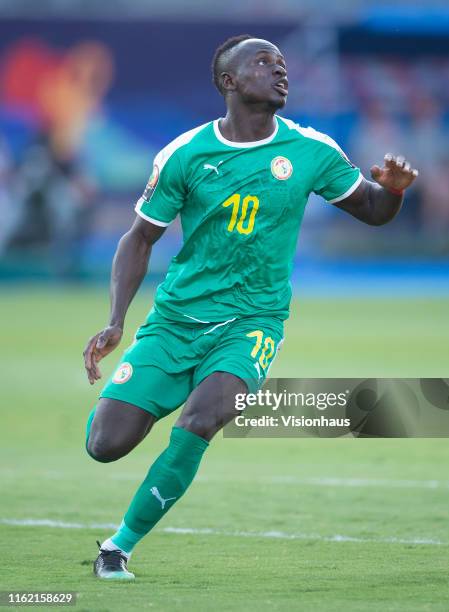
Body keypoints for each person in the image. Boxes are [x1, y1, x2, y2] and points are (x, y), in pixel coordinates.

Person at [83, 35, 418, 580]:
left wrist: (396, 192)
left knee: (203, 417)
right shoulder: (185, 154)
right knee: (106, 444)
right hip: (175, 322)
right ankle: (157, 392)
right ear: (229, 82)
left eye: (282, 63)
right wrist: (117, 320)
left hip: (252, 323)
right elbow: (139, 238)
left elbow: (374, 210)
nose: (279, 70)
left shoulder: (313, 151)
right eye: (263, 62)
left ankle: (118, 547)